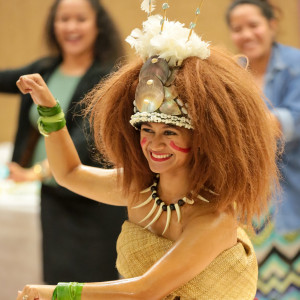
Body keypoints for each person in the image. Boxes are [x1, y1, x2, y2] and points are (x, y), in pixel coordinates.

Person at [16, 3, 279, 300]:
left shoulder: (213, 219)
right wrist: (50, 111)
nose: (155, 144)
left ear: (203, 141)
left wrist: (58, 293)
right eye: (147, 130)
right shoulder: (137, 188)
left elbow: (145, 290)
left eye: (169, 132)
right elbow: (69, 174)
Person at [0, 0, 127, 284]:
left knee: (93, 285)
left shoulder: (108, 76)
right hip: (54, 197)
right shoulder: (45, 68)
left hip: (93, 199)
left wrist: (35, 173)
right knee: (57, 282)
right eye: (63, 19)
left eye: (80, 19)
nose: (71, 27)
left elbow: (84, 141)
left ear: (98, 25)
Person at [226, 0, 300, 299]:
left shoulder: (295, 65)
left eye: (253, 25)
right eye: (237, 28)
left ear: (272, 25)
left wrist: (235, 125)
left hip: (289, 197)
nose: (246, 34)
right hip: (246, 204)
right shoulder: (234, 70)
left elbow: (294, 121)